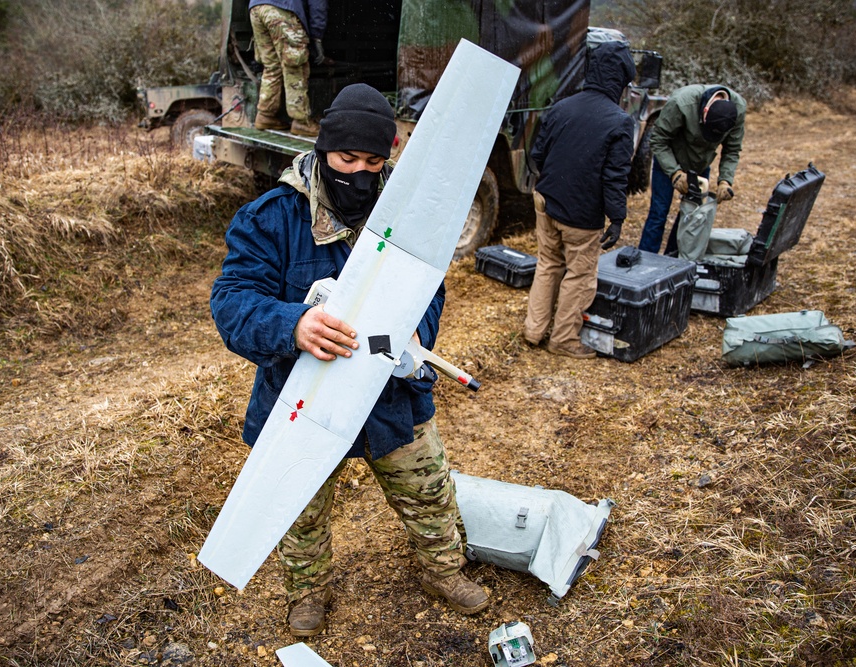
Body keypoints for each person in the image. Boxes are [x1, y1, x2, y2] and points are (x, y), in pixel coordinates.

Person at [210, 83, 489, 638]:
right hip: (301, 398)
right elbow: (232, 300)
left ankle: (442, 571)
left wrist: (415, 331)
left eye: (374, 160)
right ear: (322, 149)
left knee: (430, 491)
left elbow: (431, 290)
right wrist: (293, 323)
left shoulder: (405, 212)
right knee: (299, 509)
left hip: (391, 395)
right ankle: (307, 592)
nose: (361, 173)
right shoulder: (272, 217)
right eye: (346, 159)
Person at [522, 40, 636, 359]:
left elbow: (537, 154)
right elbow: (615, 176)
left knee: (548, 264)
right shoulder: (620, 121)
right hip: (581, 216)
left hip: (546, 200)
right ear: (620, 81)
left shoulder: (562, 106)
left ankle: (533, 331)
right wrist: (617, 217)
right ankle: (563, 339)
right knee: (580, 275)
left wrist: (557, 182)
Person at [636, 84, 746, 255]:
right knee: (659, 213)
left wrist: (725, 180)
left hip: (700, 163)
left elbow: (732, 149)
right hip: (670, 159)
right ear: (705, 110)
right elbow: (658, 139)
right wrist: (675, 173)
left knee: (691, 217)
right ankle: (643, 261)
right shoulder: (681, 103)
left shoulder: (738, 109)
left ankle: (674, 260)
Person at [249, 0, 330, 136]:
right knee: (295, 65)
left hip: (256, 8)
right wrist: (317, 36)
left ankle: (265, 115)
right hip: (281, 9)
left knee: (272, 66)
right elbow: (318, 3)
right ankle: (301, 121)